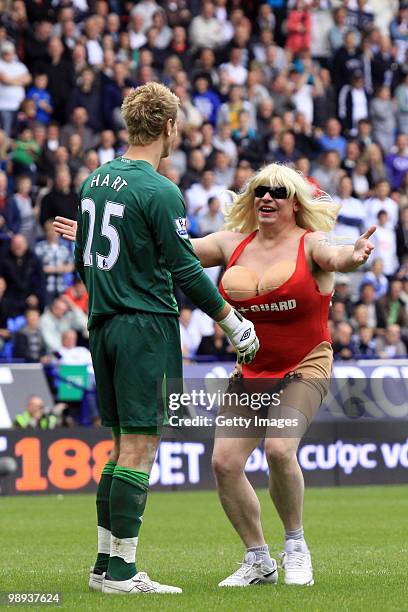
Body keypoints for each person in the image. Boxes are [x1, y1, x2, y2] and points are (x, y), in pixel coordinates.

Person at [54, 161, 375, 588]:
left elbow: (338, 256)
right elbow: (168, 253)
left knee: (279, 449)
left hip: (305, 363)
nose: (266, 197)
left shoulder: (312, 243)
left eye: (278, 191)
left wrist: (353, 257)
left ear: (295, 203)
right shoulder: (231, 243)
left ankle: (295, 545)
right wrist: (95, 237)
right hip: (251, 369)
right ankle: (258, 559)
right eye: (260, 189)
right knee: (224, 463)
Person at [55, 82, 259, 596]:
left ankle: (105, 565)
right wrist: (232, 322)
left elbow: (93, 259)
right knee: (140, 448)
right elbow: (186, 270)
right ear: (168, 127)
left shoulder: (94, 181)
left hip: (103, 324)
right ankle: (124, 573)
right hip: (144, 326)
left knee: (120, 447)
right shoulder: (161, 189)